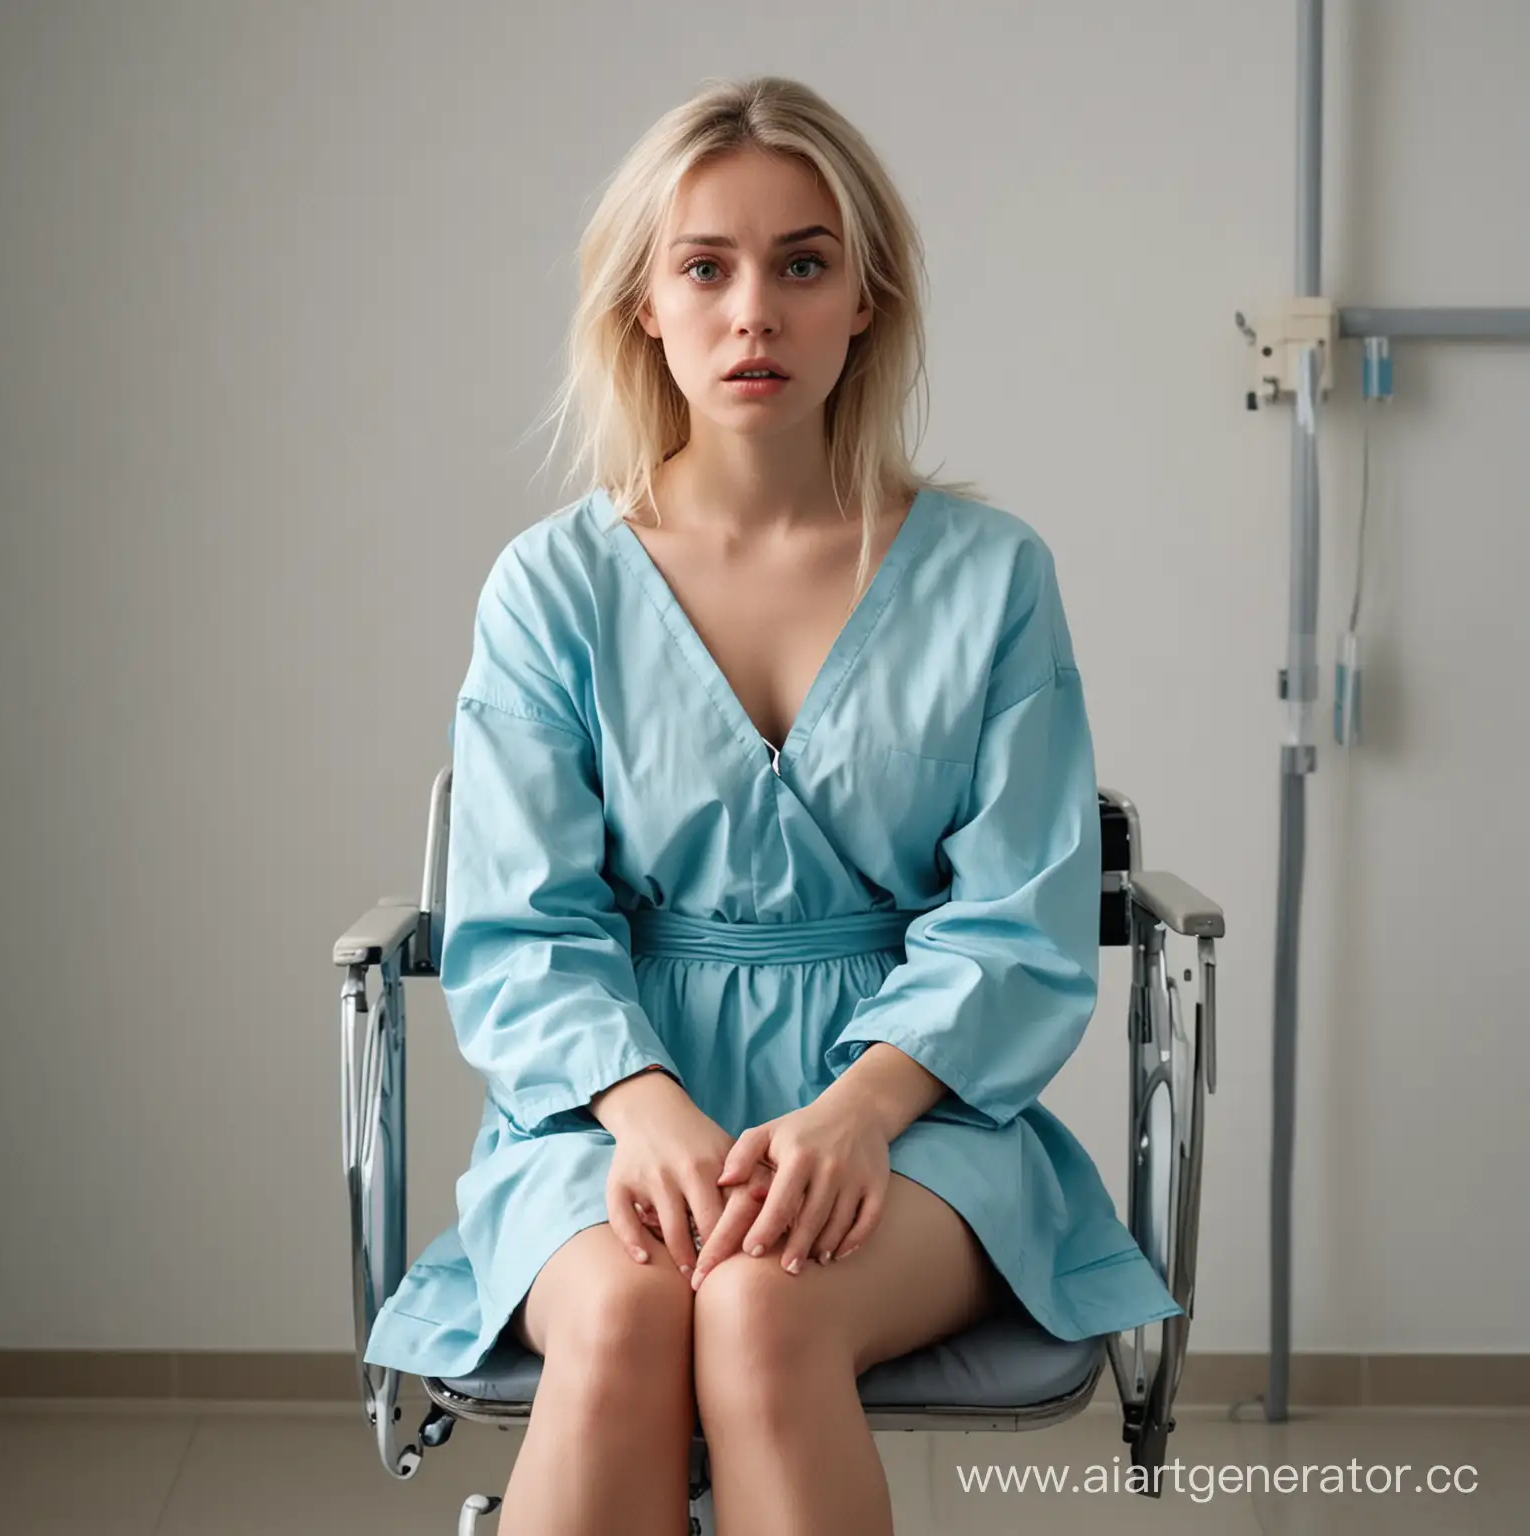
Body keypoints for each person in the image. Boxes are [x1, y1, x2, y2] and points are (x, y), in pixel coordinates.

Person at [362, 74, 1181, 1535]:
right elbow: (522, 923)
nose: (756, 312)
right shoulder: (554, 589)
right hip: (608, 1104)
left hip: (918, 1113)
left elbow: (1019, 918)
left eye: (803, 264)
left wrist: (861, 1113)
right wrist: (644, 1108)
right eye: (707, 266)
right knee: (622, 1316)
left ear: (865, 300)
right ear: (643, 305)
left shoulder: (989, 579)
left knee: (758, 1305)